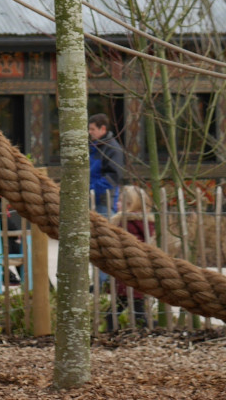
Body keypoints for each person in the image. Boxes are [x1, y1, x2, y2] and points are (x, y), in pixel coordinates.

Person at [107, 185, 153, 330]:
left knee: (124, 312)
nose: (117, 204)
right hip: (134, 277)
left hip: (128, 276)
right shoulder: (145, 224)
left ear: (131, 205)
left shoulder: (125, 223)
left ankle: (139, 332)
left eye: (121, 201)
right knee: (133, 310)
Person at [88, 113, 124, 215]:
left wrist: (90, 189)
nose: (89, 132)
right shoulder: (94, 147)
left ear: (102, 129)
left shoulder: (112, 150)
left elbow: (113, 177)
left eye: (92, 129)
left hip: (104, 201)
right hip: (91, 198)